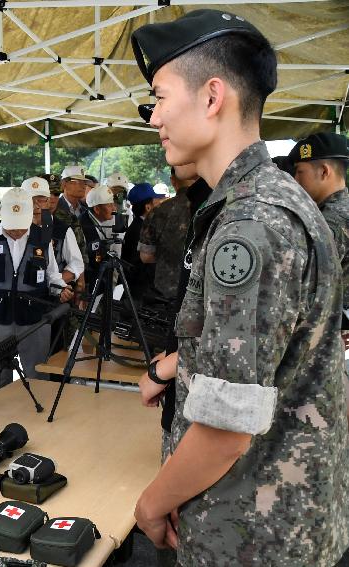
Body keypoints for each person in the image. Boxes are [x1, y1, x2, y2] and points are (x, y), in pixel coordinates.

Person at [131, 10, 349, 564]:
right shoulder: (263, 203)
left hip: (254, 534)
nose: (152, 117)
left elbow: (226, 430)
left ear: (211, 97)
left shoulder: (251, 225)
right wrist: (175, 366)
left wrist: (151, 505)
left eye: (158, 96)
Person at [0, 188, 74, 385]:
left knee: (37, 374)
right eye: (11, 227)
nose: (17, 232)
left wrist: (61, 289)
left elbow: (52, 273)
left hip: (35, 317)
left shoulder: (43, 237)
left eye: (21, 226)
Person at [289, 132, 349, 334]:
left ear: (323, 172)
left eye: (299, 172)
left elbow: (308, 283)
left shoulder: (333, 220)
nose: (295, 180)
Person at [138, 164, 211, 304]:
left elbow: (145, 256)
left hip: (165, 293)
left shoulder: (158, 211)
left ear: (173, 180)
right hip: (201, 293)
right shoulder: (212, 207)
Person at [121, 182, 164, 300]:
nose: (160, 204)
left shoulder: (141, 225)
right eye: (156, 201)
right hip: (140, 292)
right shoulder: (141, 229)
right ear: (148, 206)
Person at [79, 184, 119, 292]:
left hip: (101, 282)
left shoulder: (105, 222)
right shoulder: (81, 226)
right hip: (88, 286)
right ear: (97, 209)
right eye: (109, 205)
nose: (114, 208)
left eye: (113, 204)